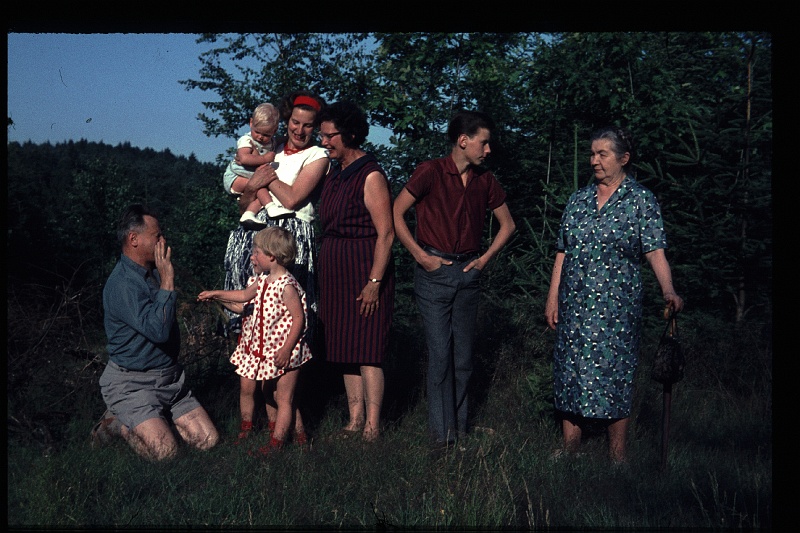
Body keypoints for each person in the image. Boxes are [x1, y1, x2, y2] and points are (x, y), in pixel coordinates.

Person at [544, 125, 684, 465]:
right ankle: (570, 447)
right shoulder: (578, 200)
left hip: (616, 308)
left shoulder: (641, 201)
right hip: (574, 305)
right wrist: (552, 298)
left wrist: (668, 288)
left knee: (615, 375)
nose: (594, 160)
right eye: (592, 154)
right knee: (570, 372)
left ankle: (617, 456)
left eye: (602, 154)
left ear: (624, 158)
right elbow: (562, 251)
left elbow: (654, 251)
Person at [392, 110, 516, 450]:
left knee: (462, 359)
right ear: (464, 141)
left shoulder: (485, 180)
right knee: (441, 357)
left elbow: (508, 225)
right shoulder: (430, 172)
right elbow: (396, 211)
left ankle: (460, 434)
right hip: (434, 275)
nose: (488, 150)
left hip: (468, 274)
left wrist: (484, 260)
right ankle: (441, 438)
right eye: (484, 142)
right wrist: (420, 256)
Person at [92, 204, 219, 461]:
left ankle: (153, 419)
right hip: (132, 385)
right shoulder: (123, 284)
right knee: (166, 454)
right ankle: (118, 425)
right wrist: (168, 280)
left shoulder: (150, 273)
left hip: (169, 380)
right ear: (134, 239)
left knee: (208, 441)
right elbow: (159, 331)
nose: (163, 240)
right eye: (157, 235)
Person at [317, 101, 395, 442]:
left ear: (348, 134)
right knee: (344, 348)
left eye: (329, 136)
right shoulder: (334, 173)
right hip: (336, 270)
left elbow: (387, 234)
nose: (324, 142)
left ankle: (373, 426)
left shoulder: (371, 174)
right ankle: (353, 420)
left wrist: (375, 282)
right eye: (322, 135)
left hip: (364, 267)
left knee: (368, 349)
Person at [223, 90, 329, 339]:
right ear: (286, 119)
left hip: (288, 237)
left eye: (307, 126)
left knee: (283, 321)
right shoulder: (271, 146)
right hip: (252, 235)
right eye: (294, 122)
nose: (299, 131)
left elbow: (291, 199)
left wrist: (262, 171)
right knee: (248, 320)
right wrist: (251, 185)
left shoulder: (317, 156)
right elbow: (244, 204)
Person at [199, 226, 312, 454]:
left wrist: (287, 349)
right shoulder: (261, 281)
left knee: (284, 397)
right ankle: (297, 436)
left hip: (286, 351)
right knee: (271, 394)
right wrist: (215, 294)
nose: (252, 256)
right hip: (267, 351)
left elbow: (299, 319)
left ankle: (276, 445)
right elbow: (242, 297)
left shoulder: (287, 286)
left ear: (271, 256)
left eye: (256, 252)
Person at [222, 102, 286, 229]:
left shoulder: (272, 141)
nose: (261, 137)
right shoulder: (246, 140)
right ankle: (271, 207)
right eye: (257, 132)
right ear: (251, 123)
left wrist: (288, 138)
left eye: (266, 135)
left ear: (275, 130)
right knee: (261, 186)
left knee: (260, 193)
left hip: (248, 176)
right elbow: (244, 158)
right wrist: (264, 159)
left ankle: (248, 214)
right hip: (235, 177)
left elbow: (280, 140)